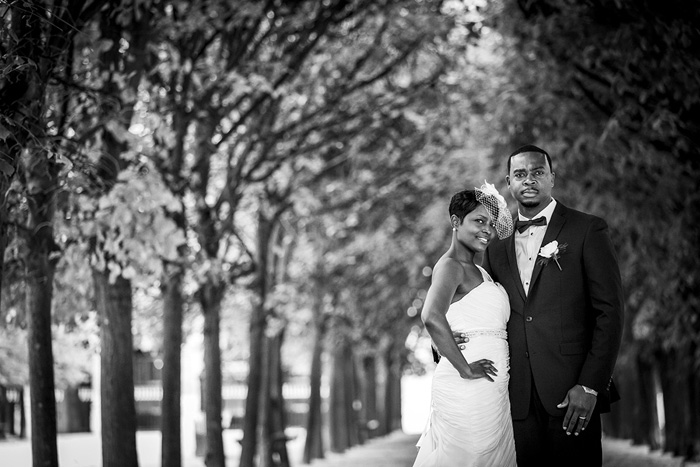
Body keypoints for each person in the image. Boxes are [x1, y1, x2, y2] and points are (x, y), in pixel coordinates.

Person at [474, 144, 624, 466]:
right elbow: (490, 311)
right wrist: (450, 340)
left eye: (537, 172)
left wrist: (590, 386)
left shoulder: (587, 229)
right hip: (517, 400)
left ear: (552, 178)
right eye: (520, 174)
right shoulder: (496, 246)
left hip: (572, 396)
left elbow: (609, 313)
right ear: (509, 182)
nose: (529, 180)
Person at [413, 184, 517, 467]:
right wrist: (466, 368)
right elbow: (431, 316)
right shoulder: (451, 266)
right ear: (456, 222)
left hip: (493, 387)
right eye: (479, 221)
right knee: (470, 456)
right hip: (468, 385)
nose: (487, 230)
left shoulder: (479, 269)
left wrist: (442, 341)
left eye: (491, 224)